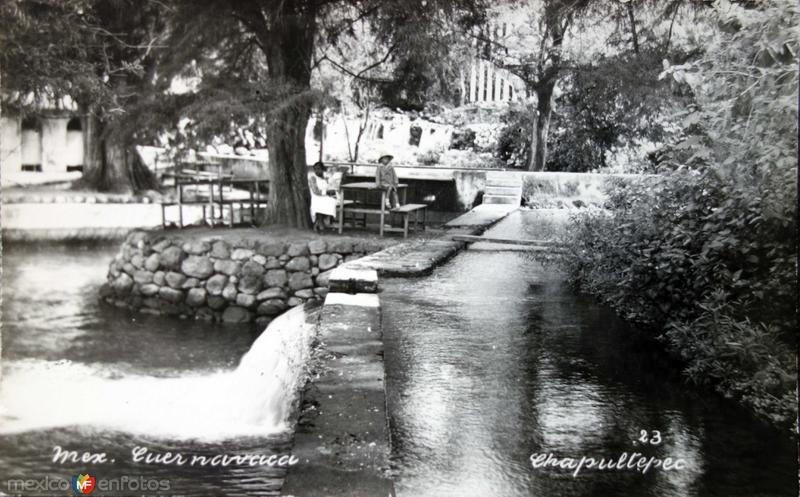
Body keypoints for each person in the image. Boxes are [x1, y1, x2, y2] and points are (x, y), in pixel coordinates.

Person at [308, 161, 338, 232]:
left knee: (332, 201)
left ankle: (318, 222)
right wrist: (327, 192)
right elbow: (315, 191)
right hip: (316, 197)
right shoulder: (313, 178)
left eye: (318, 169)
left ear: (322, 169)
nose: (317, 171)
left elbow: (330, 186)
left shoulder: (325, 178)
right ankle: (321, 224)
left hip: (325, 196)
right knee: (322, 203)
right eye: (315, 169)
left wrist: (331, 191)